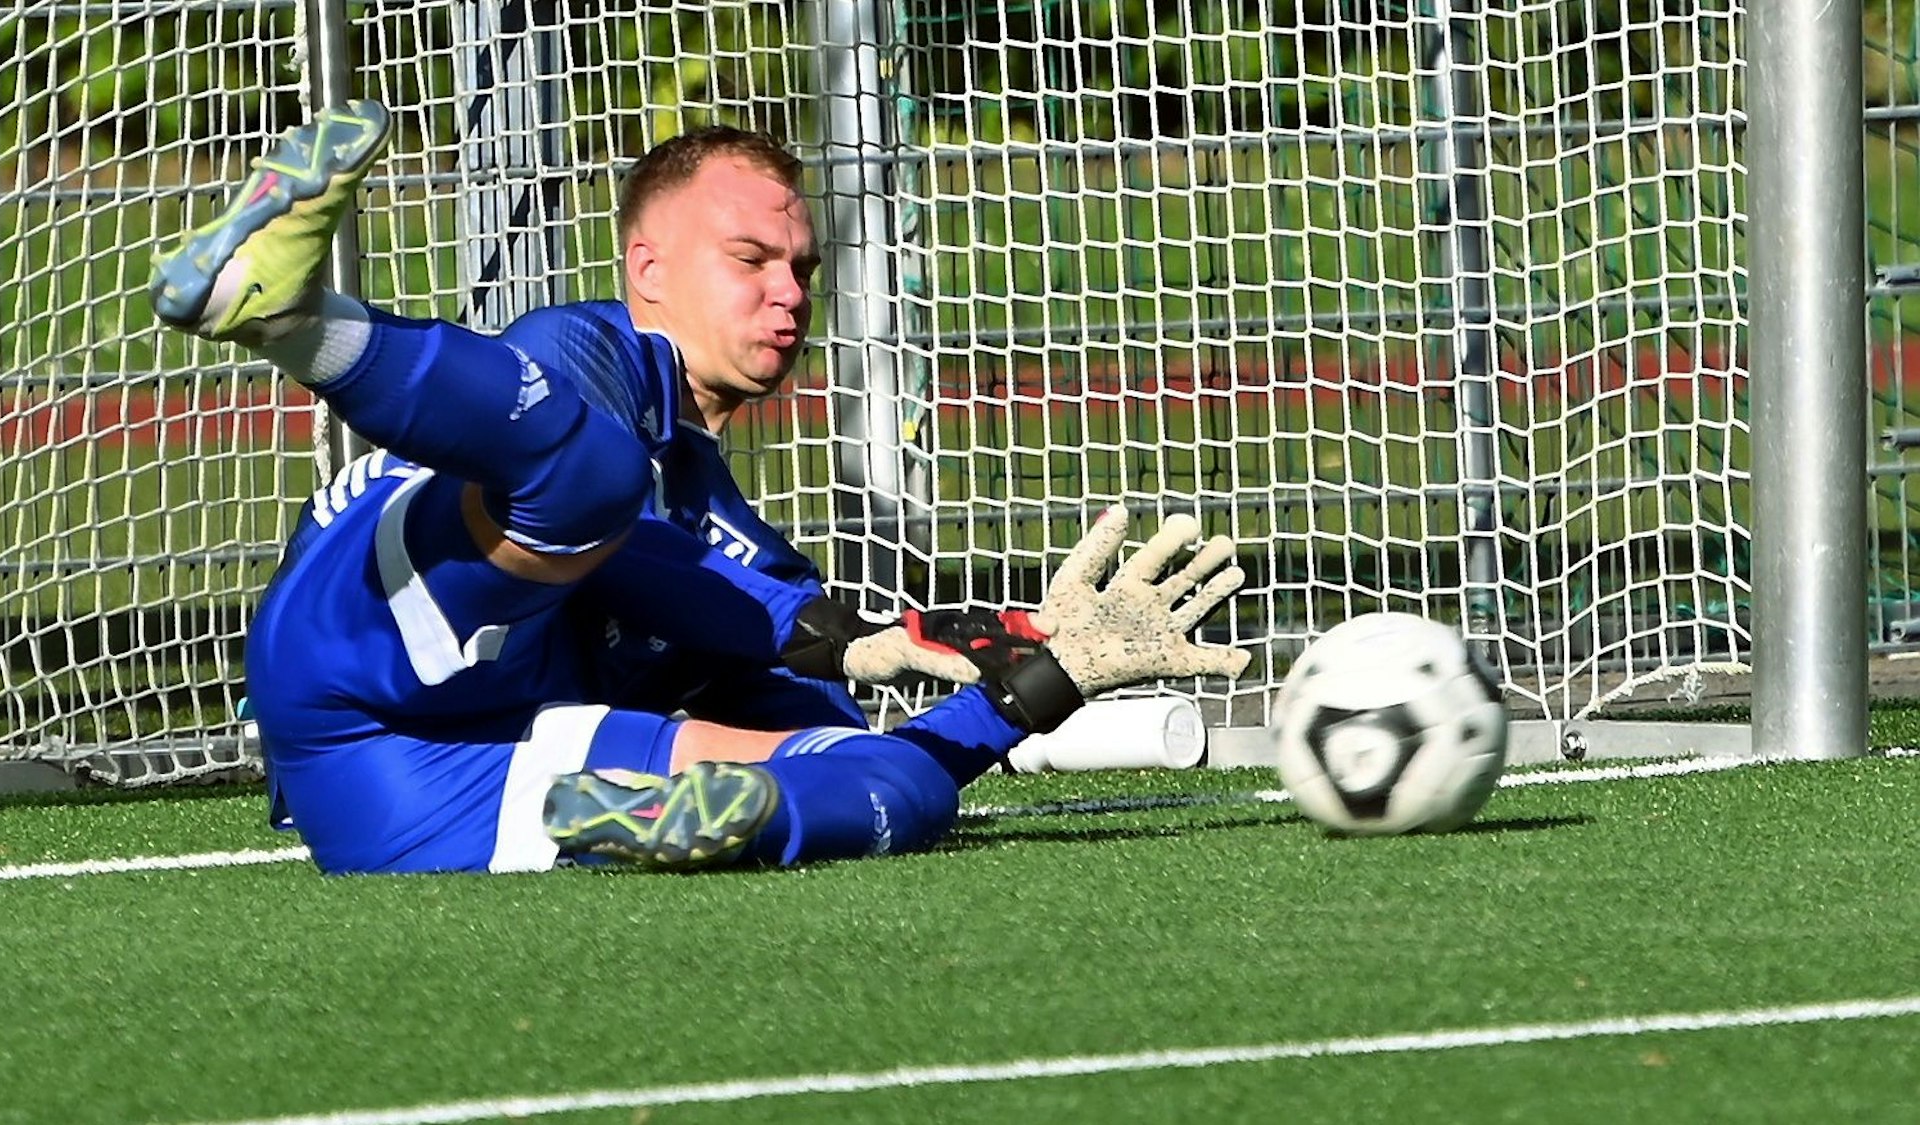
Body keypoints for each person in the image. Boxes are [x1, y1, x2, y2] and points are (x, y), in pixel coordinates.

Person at [148, 98, 1250, 875]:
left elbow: (798, 677)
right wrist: (826, 630)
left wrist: (1040, 683)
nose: (788, 295)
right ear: (648, 272)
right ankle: (292, 318)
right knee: (593, 475)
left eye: (801, 270)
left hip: (420, 794)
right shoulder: (584, 352)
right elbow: (646, 542)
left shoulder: (742, 544)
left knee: (894, 783)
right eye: (749, 260)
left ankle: (722, 830)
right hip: (360, 644)